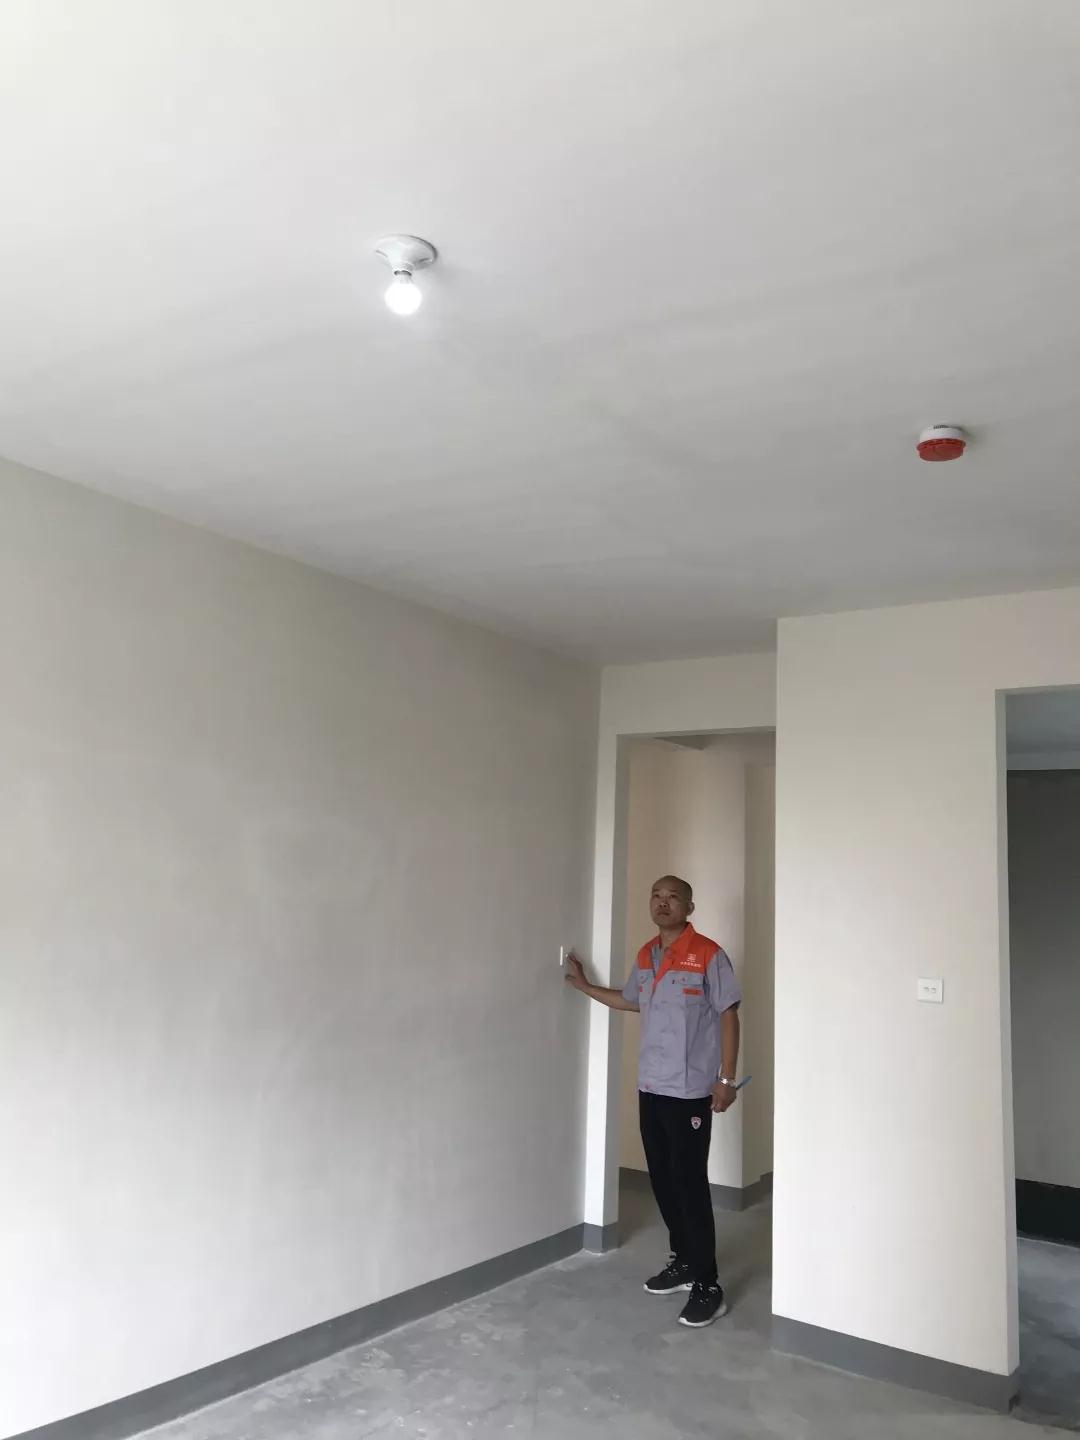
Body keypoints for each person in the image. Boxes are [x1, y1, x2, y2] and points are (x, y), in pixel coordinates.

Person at [565, 875, 741, 1328]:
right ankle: (684, 1261)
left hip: (690, 1091)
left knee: (689, 1184)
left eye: (673, 897)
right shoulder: (646, 955)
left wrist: (725, 1078)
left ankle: (708, 1284)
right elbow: (631, 1002)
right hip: (651, 1087)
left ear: (689, 907)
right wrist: (583, 985)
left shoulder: (708, 954)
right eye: (656, 896)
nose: (663, 904)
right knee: (662, 1180)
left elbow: (728, 1014)